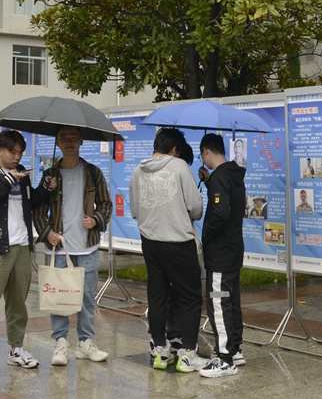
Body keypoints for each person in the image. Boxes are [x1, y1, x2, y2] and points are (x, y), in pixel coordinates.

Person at [0, 130, 56, 382]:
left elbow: (30, 203)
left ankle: (16, 349)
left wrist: (44, 187)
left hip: (22, 247)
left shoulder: (22, 175)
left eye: (20, 153)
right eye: (12, 152)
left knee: (18, 304)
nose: (17, 157)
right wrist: (7, 180)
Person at [33, 125, 113, 366]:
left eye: (74, 138)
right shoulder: (49, 175)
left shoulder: (93, 172)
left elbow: (106, 204)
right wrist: (47, 233)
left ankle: (85, 342)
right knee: (58, 297)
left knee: (87, 297)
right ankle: (60, 343)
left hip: (87, 246)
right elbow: (38, 209)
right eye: (64, 138)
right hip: (58, 247)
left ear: (81, 141)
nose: (69, 142)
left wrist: (96, 219)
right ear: (57, 142)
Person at [129, 128, 205, 373]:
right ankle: (188, 354)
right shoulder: (179, 166)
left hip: (150, 241)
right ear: (174, 149)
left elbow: (134, 210)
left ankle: (160, 351)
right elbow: (195, 208)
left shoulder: (138, 171)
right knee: (190, 297)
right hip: (178, 242)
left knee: (157, 296)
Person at [197, 133, 246, 378]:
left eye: (201, 155)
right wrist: (209, 182)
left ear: (206, 151)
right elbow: (228, 201)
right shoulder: (234, 174)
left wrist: (206, 235)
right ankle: (235, 350)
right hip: (233, 250)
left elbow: (220, 212)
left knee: (218, 301)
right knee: (231, 300)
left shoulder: (220, 177)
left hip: (220, 254)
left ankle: (225, 358)